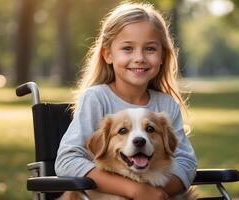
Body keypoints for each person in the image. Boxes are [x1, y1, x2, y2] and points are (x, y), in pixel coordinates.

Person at [55, 2, 197, 200]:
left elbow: (186, 161)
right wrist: (135, 191)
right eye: (128, 48)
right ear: (108, 54)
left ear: (163, 56)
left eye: (150, 49)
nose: (139, 58)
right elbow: (67, 160)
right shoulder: (96, 98)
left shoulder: (166, 105)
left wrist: (159, 194)